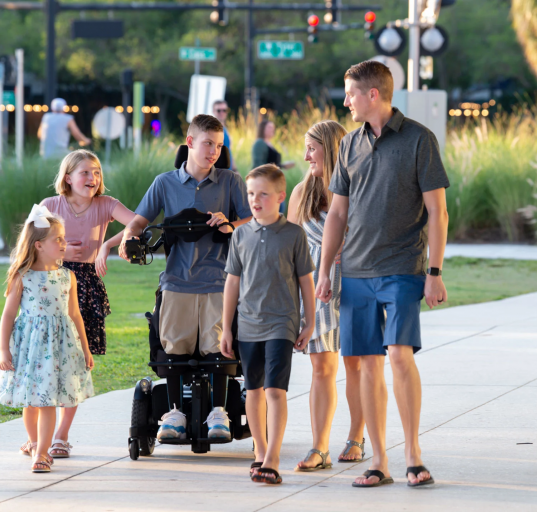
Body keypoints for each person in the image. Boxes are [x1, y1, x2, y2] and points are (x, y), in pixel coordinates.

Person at [316, 60, 450, 488]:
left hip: (402, 268)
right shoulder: (350, 145)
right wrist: (324, 271)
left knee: (398, 355)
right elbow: (337, 212)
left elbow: (437, 210)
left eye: (351, 93)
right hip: (355, 273)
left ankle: (413, 454)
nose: (347, 101)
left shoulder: (418, 140)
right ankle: (379, 461)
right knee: (366, 364)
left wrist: (435, 271)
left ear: (373, 94)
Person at [119, 114, 251, 442]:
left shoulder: (230, 182)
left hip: (219, 281)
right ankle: (175, 413)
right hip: (177, 281)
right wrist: (127, 237)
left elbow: (255, 219)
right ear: (190, 142)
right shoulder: (164, 183)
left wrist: (231, 224)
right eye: (208, 144)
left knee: (218, 350)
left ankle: (219, 413)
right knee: (174, 351)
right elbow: (137, 222)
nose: (214, 152)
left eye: (219, 146)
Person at [221, 164, 315, 485]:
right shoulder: (241, 235)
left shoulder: (293, 235)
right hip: (248, 325)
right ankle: (259, 451)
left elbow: (305, 282)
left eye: (263, 194)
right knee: (253, 388)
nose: (255, 200)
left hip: (282, 323)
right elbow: (232, 284)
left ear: (280, 196)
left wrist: (309, 321)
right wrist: (226, 327)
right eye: (250, 193)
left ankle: (273, 457)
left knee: (275, 389)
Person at [40, 149, 135, 458]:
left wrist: (108, 245)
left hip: (87, 288)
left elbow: (138, 223)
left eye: (96, 172)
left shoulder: (106, 205)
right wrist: (61, 252)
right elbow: (30, 246)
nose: (92, 178)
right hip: (53, 286)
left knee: (76, 365)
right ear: (68, 177)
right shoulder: (49, 206)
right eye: (85, 172)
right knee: (47, 361)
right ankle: (38, 436)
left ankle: (61, 436)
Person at [0, 205, 95, 473]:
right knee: (33, 400)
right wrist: (4, 350)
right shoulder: (22, 277)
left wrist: (85, 348)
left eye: (63, 237)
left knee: (48, 399)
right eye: (57, 239)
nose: (63, 243)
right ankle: (35, 442)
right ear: (38, 245)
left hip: (60, 346)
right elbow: (8, 316)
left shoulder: (67, 276)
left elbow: (75, 315)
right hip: (29, 346)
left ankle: (42, 453)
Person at [287, 120, 366, 471]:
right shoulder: (301, 193)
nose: (306, 156)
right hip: (317, 289)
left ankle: (357, 437)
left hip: (354, 281)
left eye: (312, 148)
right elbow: (288, 247)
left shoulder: (357, 188)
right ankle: (319, 447)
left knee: (356, 364)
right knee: (322, 367)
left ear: (331, 148)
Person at [212, 99, 237, 171]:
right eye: (219, 110)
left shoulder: (224, 129)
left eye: (224, 110)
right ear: (213, 111)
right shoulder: (212, 129)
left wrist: (235, 170)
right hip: (218, 172)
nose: (222, 113)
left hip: (228, 171)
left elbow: (229, 150)